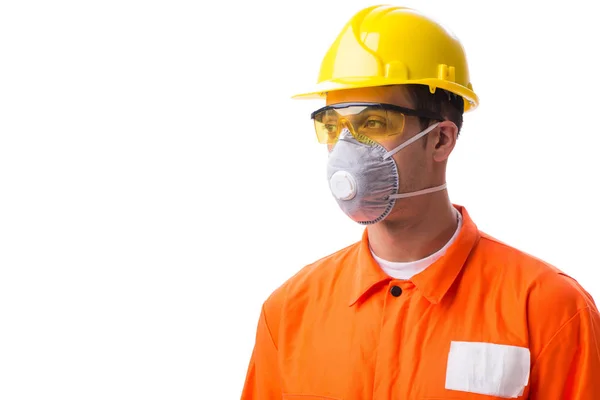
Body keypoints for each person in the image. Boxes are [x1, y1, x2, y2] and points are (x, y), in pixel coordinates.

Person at [241, 5, 600, 399]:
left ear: (441, 139)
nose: (346, 147)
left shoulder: (547, 309)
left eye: (373, 122)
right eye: (333, 124)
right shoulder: (290, 311)